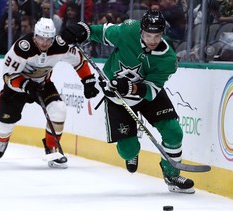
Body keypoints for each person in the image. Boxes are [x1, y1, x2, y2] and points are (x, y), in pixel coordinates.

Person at [62, 9, 195, 193]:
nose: (152, 40)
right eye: (149, 35)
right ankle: (132, 153)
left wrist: (131, 88)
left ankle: (172, 174)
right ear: (141, 31)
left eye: (157, 36)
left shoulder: (168, 59)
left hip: (147, 94)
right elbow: (102, 32)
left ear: (162, 34)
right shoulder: (127, 31)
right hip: (116, 98)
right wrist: (83, 29)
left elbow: (152, 90)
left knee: (174, 132)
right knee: (128, 150)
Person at [0, 17, 99, 168]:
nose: (44, 43)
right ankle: (2, 140)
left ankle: (52, 150)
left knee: (59, 110)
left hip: (43, 85)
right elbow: (8, 76)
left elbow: (78, 60)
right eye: (41, 38)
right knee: (4, 125)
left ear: (53, 37)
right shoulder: (22, 48)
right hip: (16, 88)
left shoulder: (60, 45)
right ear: (35, 35)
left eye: (48, 39)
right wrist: (26, 85)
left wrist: (87, 80)